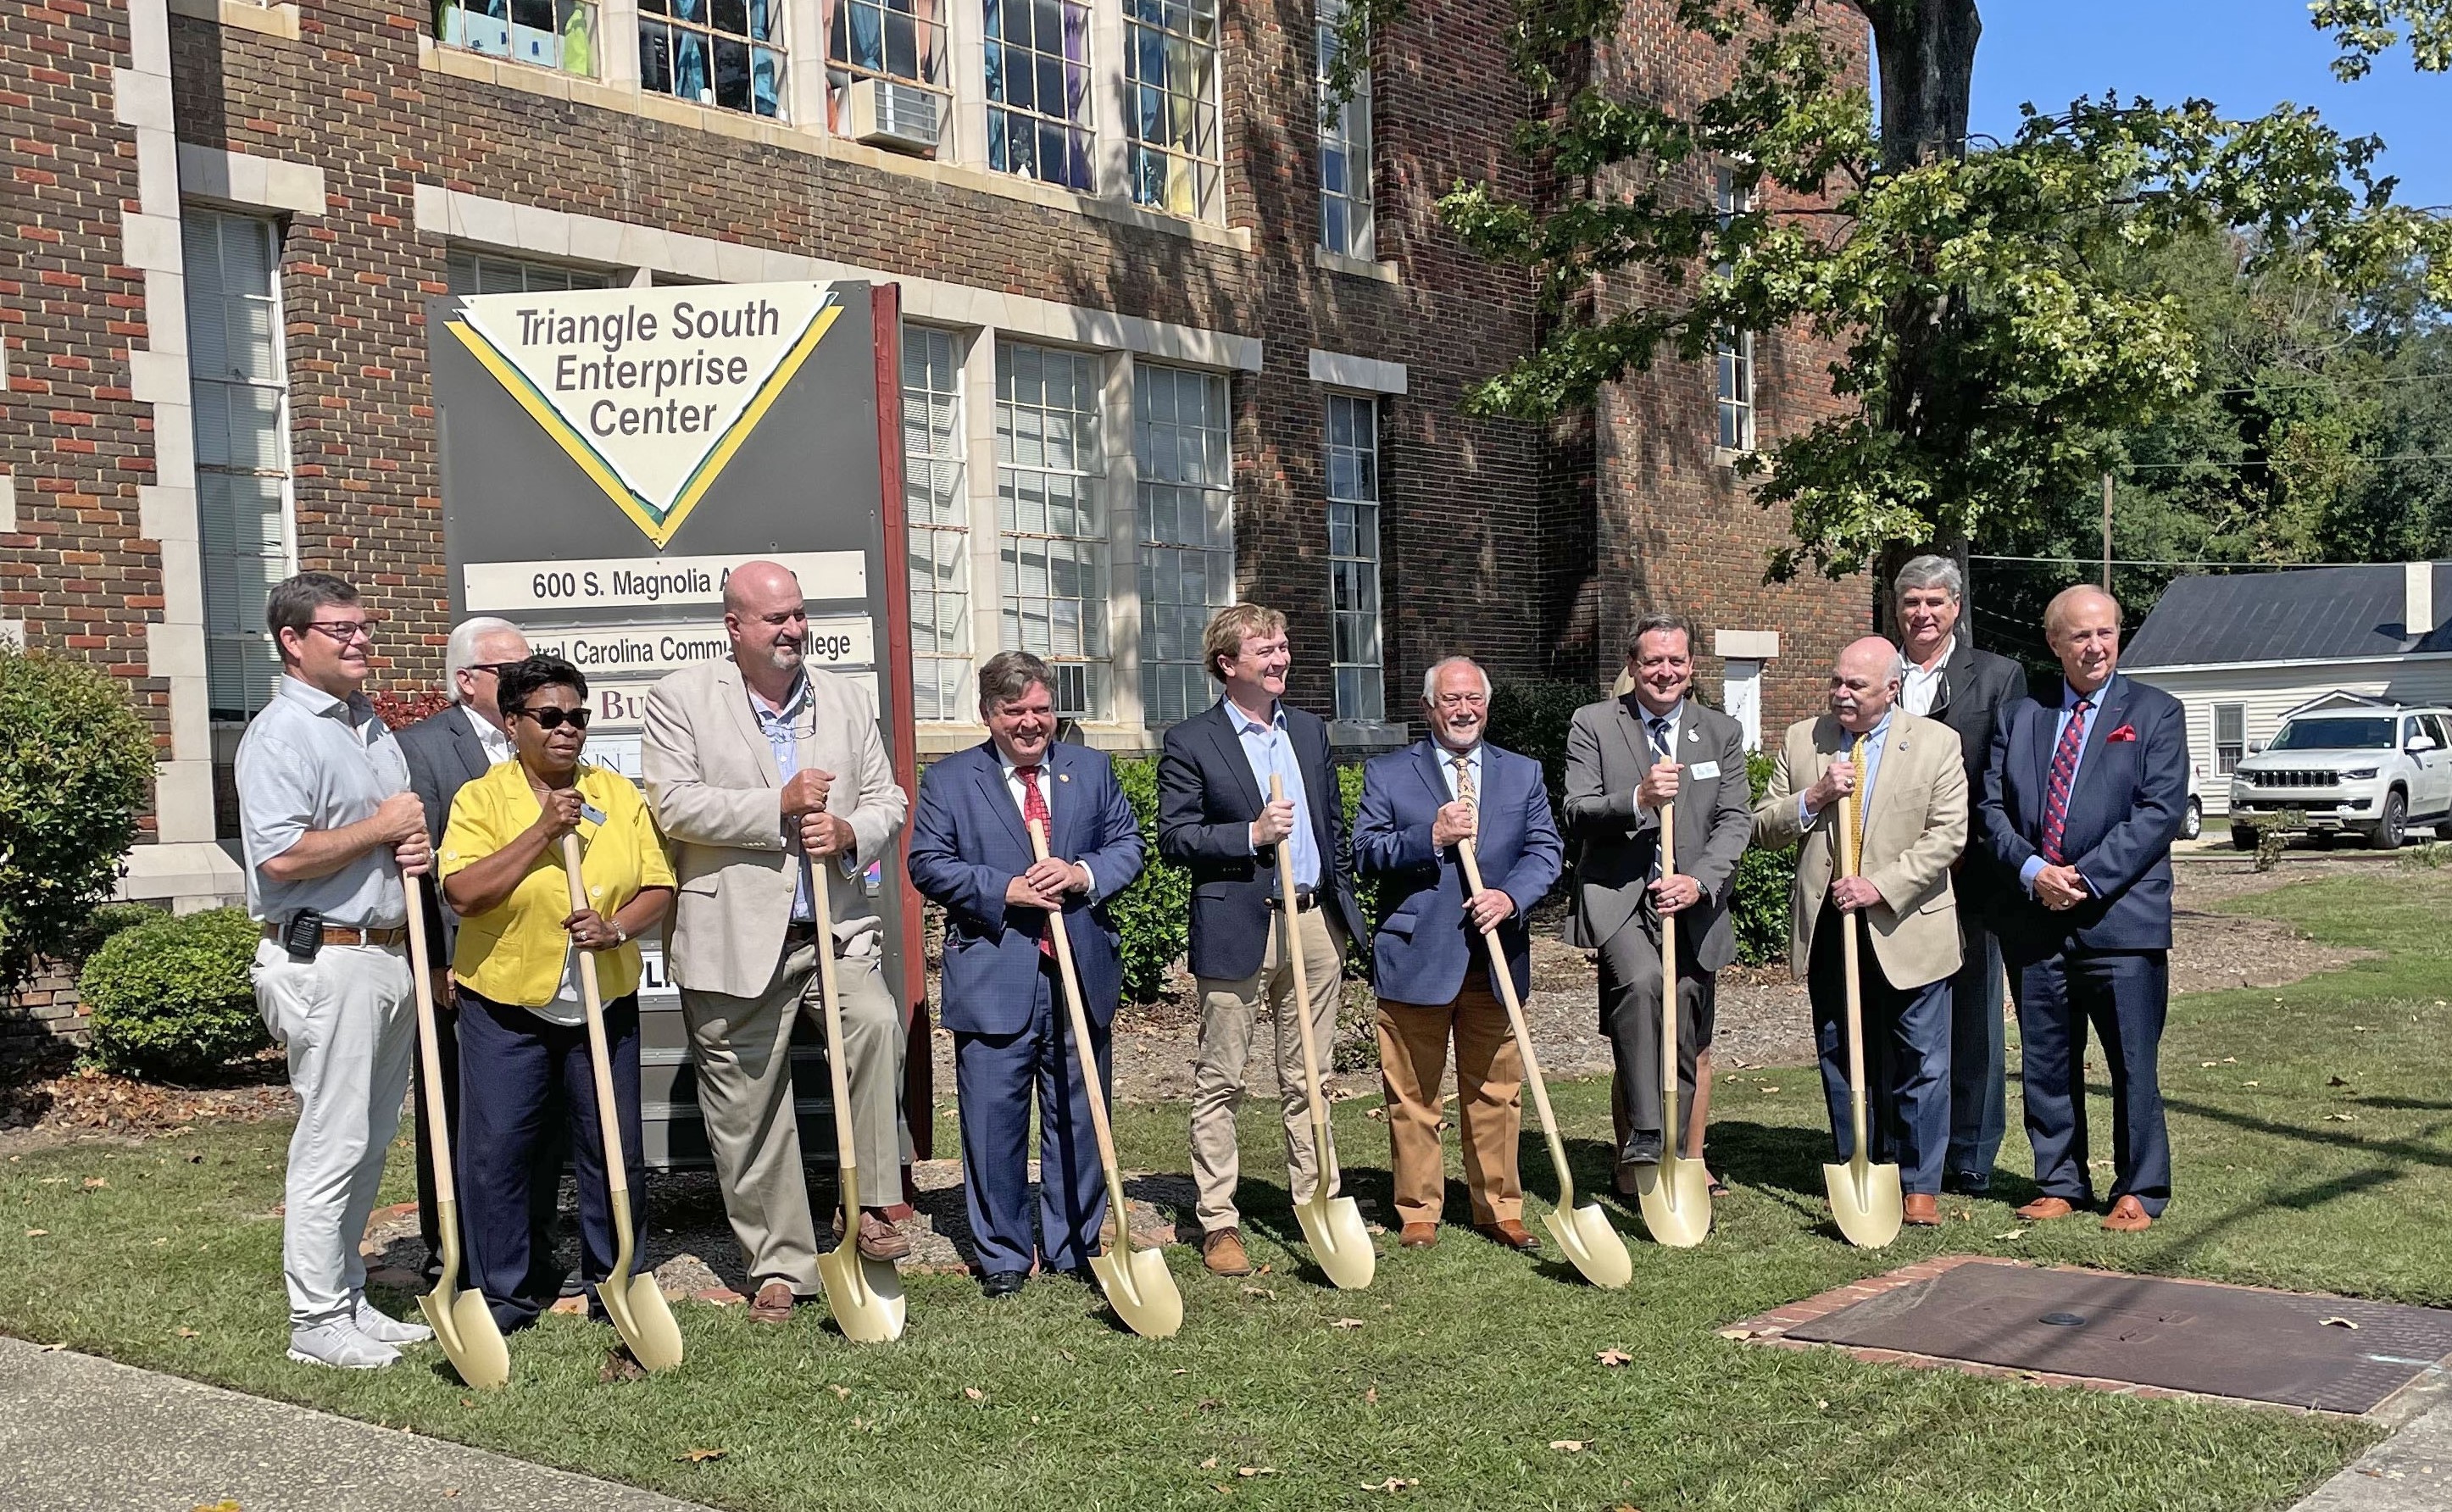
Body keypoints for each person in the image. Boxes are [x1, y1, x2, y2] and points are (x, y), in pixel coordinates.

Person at [641, 559, 911, 1322]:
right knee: (747, 1104)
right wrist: (778, 806)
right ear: (734, 627)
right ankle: (781, 1266)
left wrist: (852, 829)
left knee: (876, 1028)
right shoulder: (682, 699)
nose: (794, 629)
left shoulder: (847, 700)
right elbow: (673, 804)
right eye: (775, 619)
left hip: (831, 925)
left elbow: (888, 796)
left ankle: (871, 1209)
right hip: (730, 931)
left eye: (798, 614)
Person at [235, 571, 436, 1369]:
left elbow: (383, 834)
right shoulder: (281, 734)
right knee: (333, 1140)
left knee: (372, 1137)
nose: (360, 641)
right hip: (326, 958)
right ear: (292, 640)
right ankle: (314, 1322)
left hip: (387, 954)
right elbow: (280, 856)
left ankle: (349, 1293)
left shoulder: (368, 726)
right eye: (340, 630)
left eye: (363, 626)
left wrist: (409, 845)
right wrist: (381, 825)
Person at [437, 655, 675, 1331]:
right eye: (549, 717)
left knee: (613, 1148)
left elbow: (657, 885)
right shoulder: (482, 800)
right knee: (500, 1153)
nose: (566, 729)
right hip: (507, 1007)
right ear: (513, 723)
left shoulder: (616, 794)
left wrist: (615, 927)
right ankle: (504, 1295)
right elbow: (464, 893)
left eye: (577, 716)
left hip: (602, 1000)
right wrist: (542, 832)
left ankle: (617, 1281)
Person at [907, 652, 1145, 1296]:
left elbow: (1127, 846)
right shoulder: (952, 781)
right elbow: (927, 863)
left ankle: (1074, 1245)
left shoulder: (1089, 771)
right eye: (1016, 712)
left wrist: (1081, 874)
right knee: (992, 1122)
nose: (1032, 723)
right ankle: (1005, 1255)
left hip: (1079, 969)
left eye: (1041, 709)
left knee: (1078, 1115)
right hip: (994, 972)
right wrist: (1003, 888)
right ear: (989, 715)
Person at [1156, 603, 1366, 1278]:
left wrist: (1338, 904)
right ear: (1227, 664)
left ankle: (1318, 1204)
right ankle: (1218, 1221)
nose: (1279, 659)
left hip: (1311, 922)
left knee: (1310, 1076)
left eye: (1282, 646)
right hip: (1238, 923)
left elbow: (1329, 825)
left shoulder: (1307, 731)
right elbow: (1174, 837)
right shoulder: (1192, 740)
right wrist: (1247, 836)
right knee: (1222, 1079)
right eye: (1263, 650)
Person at [1980, 584, 2187, 1232]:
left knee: (2131, 1062)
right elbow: (1989, 810)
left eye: (2105, 633)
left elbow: (2158, 813)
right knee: (2045, 1059)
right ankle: (2060, 1181)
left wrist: (2085, 878)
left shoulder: (2155, 713)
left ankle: (2139, 1189)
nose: (2094, 646)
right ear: (2053, 643)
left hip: (2120, 922)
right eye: (2079, 635)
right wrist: (2034, 871)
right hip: (2036, 919)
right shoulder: (2021, 716)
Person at [1753, 637, 1967, 1226]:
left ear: (1891, 689)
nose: (1841, 695)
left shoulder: (1934, 744)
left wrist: (1879, 885)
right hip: (1829, 928)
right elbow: (1763, 826)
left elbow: (1947, 836)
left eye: (1857, 686)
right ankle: (1858, 1164)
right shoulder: (1804, 740)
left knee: (1919, 1058)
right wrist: (1814, 796)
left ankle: (1919, 1183)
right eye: (1836, 682)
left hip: (1907, 928)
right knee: (1841, 1053)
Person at [1352, 657, 1563, 1250]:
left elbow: (1544, 851)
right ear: (1428, 708)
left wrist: (1509, 897)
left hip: (1495, 957)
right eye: (1451, 700)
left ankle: (1498, 1206)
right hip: (1416, 956)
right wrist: (1430, 838)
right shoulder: (1390, 774)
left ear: (1486, 706)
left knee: (1496, 1090)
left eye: (1473, 700)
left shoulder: (1520, 774)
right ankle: (1418, 1208)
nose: (1464, 710)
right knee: (1413, 1092)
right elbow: (1365, 853)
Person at [1562, 614, 1753, 1195]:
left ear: (1692, 667)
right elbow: (1575, 809)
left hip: (1690, 902)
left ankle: (1679, 1154)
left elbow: (1734, 820)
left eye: (1675, 661)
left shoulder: (1719, 733)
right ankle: (1644, 1132)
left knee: (1686, 1024)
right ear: (1632, 667)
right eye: (1651, 661)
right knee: (1643, 986)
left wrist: (1697, 881)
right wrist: (1636, 799)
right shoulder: (1594, 724)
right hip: (1619, 897)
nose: (1663, 672)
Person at [393, 614, 535, 1287]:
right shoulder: (422, 749)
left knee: (525, 1110)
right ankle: (448, 1244)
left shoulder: (534, 739)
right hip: (458, 963)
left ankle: (527, 1241)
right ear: (467, 681)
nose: (524, 682)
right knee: (450, 1105)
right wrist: (437, 964)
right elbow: (415, 870)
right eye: (511, 672)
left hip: (531, 960)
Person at [1891, 554, 2029, 1195]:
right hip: (1888, 879)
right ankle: (1900, 1146)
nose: (1923, 613)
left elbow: (2006, 776)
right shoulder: (1875, 671)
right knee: (1899, 1021)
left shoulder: (1998, 677)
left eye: (1934, 603)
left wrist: (1978, 848)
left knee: (1971, 1020)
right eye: (1912, 602)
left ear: (1955, 609)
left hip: (1969, 878)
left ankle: (1969, 1152)